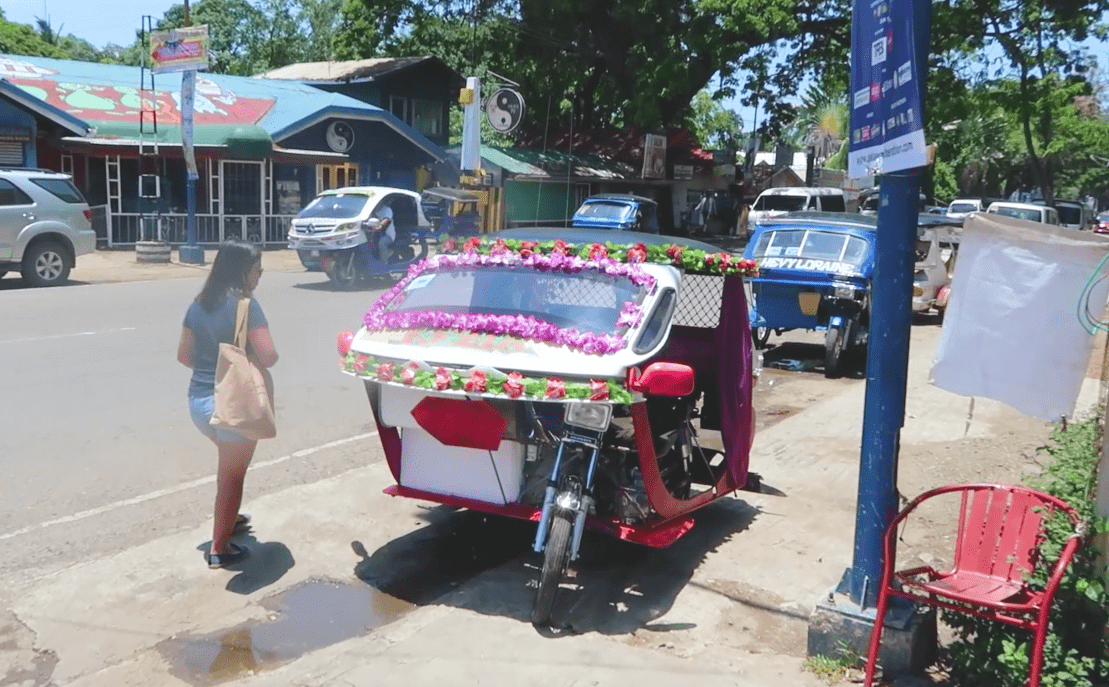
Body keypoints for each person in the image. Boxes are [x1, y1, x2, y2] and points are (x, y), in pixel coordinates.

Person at [177, 240, 279, 569]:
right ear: (243, 272)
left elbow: (183, 356)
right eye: (257, 270)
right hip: (233, 407)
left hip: (198, 404)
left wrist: (216, 370)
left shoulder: (198, 304)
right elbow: (269, 356)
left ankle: (228, 519)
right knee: (232, 477)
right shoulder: (248, 306)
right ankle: (220, 549)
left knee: (228, 469)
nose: (259, 276)